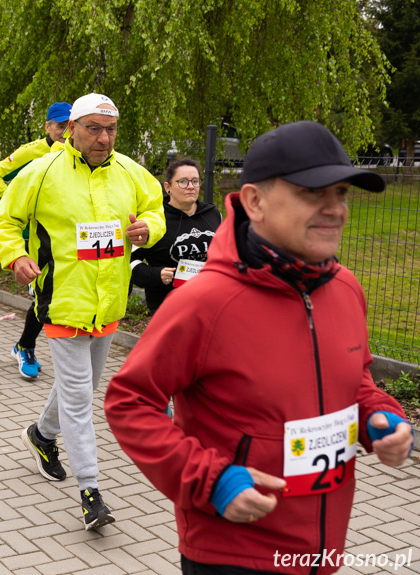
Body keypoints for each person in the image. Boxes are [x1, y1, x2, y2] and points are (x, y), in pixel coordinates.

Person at [104, 121, 414, 574]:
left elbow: (356, 378)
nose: (335, 210)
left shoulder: (345, 288)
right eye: (314, 193)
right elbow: (129, 402)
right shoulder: (205, 303)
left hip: (324, 550)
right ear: (254, 201)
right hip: (233, 553)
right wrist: (211, 482)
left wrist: (378, 416)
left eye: (342, 194)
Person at [0, 93, 166, 531]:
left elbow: (154, 208)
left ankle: (41, 435)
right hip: (62, 300)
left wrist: (150, 229)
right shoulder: (41, 171)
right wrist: (15, 257)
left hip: (108, 302)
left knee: (78, 388)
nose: (103, 138)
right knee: (80, 397)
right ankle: (91, 492)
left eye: (110, 129)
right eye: (93, 128)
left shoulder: (130, 171)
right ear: (71, 128)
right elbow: (4, 218)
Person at [0, 102, 71, 380]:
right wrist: (14, 198)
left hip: (60, 237)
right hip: (29, 239)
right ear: (47, 126)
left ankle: (25, 345)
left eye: (69, 126)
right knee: (41, 296)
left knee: (49, 295)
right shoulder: (31, 152)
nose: (64, 132)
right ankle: (26, 346)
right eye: (59, 126)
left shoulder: (75, 155)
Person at [130, 157, 222, 313]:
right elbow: (129, 261)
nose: (191, 187)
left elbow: (225, 252)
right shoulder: (155, 219)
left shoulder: (213, 214)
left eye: (195, 181)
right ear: (168, 187)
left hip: (208, 299)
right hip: (168, 305)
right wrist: (155, 275)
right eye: (183, 182)